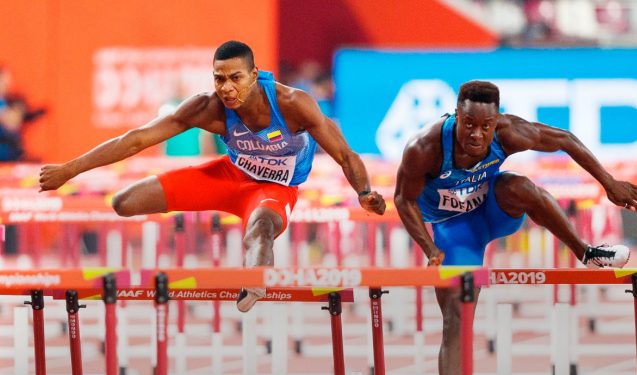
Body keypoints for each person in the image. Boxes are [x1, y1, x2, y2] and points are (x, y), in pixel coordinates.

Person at [39, 40, 386, 311]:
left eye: (236, 78)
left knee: (261, 229)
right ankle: (254, 274)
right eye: (219, 79)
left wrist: (364, 192)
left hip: (274, 189)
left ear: (254, 75)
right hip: (227, 176)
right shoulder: (208, 107)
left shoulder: (293, 104)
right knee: (124, 203)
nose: (227, 88)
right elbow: (136, 139)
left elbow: (345, 154)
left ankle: (254, 281)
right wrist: (70, 169)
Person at [394, 80, 637, 375]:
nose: (477, 135)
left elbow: (565, 139)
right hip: (452, 231)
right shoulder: (425, 147)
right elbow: (403, 199)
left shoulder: (510, 132)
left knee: (522, 187)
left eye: (485, 126)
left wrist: (609, 183)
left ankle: (586, 252)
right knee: (455, 321)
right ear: (456, 116)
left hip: (494, 210)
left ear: (497, 121)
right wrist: (430, 249)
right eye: (468, 124)